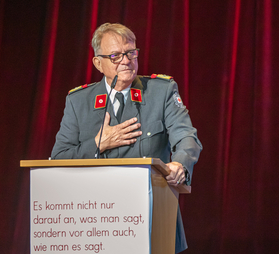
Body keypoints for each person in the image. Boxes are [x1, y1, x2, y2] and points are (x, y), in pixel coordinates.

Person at [51, 22, 202, 253]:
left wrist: (180, 163)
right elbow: (59, 158)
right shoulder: (78, 101)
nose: (126, 60)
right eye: (115, 55)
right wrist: (97, 145)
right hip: (96, 223)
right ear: (98, 63)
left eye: (131, 52)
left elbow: (186, 136)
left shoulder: (161, 91)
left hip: (153, 218)